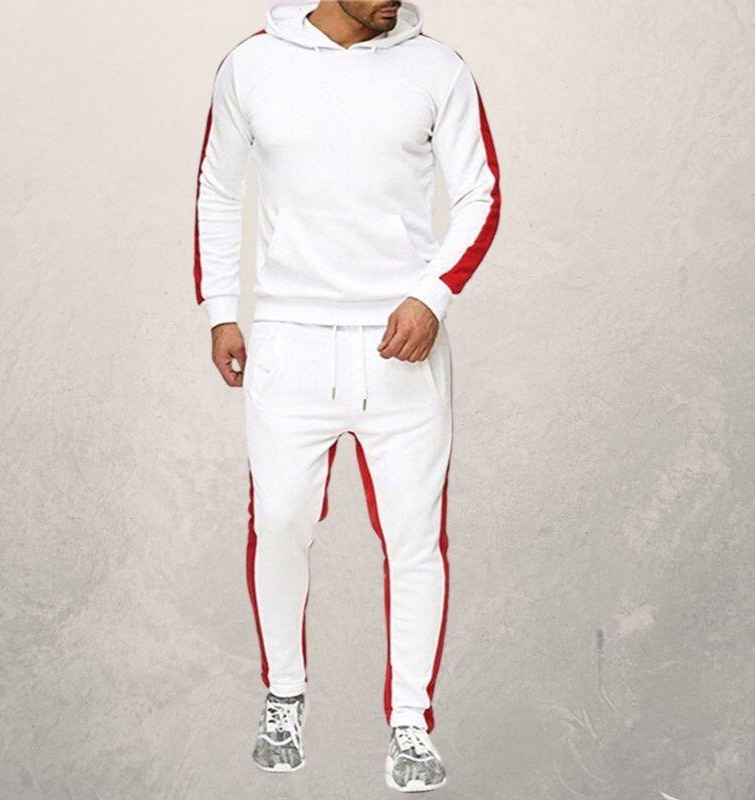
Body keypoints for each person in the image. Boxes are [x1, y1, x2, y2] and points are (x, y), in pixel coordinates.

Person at [192, 0, 500, 791]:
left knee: (414, 538)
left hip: (401, 343)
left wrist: (433, 296)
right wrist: (222, 309)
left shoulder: (439, 69)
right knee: (280, 522)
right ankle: (283, 696)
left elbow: (481, 194)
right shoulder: (252, 65)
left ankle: (410, 724)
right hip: (289, 338)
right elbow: (217, 190)